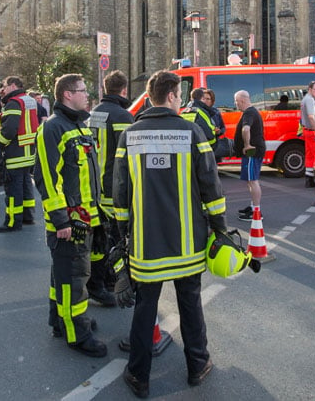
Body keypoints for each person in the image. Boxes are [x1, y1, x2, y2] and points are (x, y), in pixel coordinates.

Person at [112, 70, 227, 398]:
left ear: (149, 97)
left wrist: (123, 237)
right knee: (190, 303)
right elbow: (212, 190)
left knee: (145, 307)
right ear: (174, 96)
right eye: (179, 95)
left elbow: (120, 195)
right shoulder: (192, 132)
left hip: (146, 246)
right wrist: (219, 230)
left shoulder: (130, 136)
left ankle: (138, 376)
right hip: (188, 245)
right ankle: (197, 365)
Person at [34, 73, 107, 358]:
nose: (87, 94)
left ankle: (60, 321)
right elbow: (47, 178)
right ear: (67, 94)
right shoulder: (53, 128)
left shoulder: (79, 126)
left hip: (86, 217)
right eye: (82, 90)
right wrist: (61, 219)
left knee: (65, 276)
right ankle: (77, 331)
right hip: (69, 220)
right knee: (74, 276)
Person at [87, 70, 134, 307]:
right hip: (113, 190)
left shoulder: (93, 114)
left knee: (99, 239)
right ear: (124, 90)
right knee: (114, 240)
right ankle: (107, 282)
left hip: (94, 187)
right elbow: (128, 158)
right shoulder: (123, 116)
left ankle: (101, 281)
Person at [0, 76, 39, 233]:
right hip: (28, 152)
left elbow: (9, 129)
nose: (3, 90)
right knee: (25, 184)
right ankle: (27, 216)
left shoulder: (13, 102)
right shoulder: (29, 100)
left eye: (5, 86)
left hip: (15, 153)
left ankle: (12, 221)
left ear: (13, 86)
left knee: (13, 189)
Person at [234, 90, 265, 221]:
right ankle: (253, 206)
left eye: (236, 102)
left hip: (252, 151)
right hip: (253, 150)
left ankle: (256, 211)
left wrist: (247, 145)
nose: (236, 104)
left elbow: (246, 129)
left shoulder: (249, 113)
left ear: (242, 100)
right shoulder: (251, 112)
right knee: (250, 180)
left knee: (253, 181)